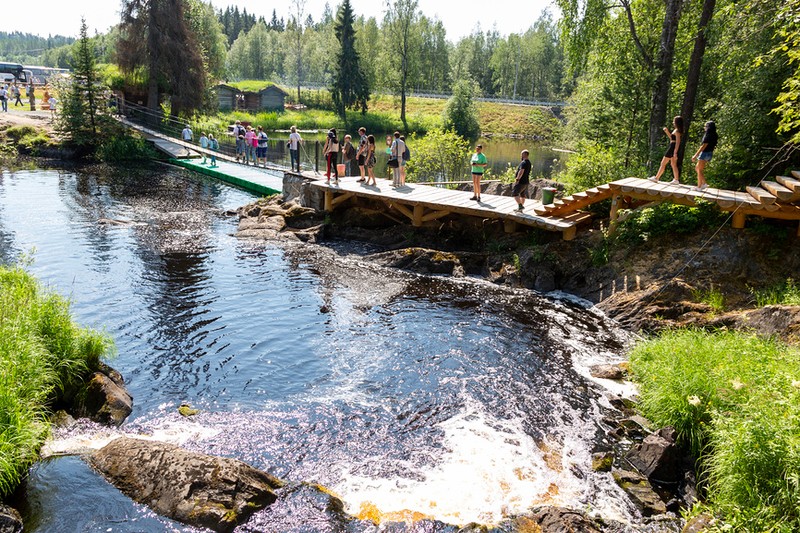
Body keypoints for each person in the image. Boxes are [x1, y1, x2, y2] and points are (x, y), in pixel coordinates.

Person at [649, 115, 684, 184]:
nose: (673, 122)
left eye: (674, 121)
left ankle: (657, 178)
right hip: (672, 146)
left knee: (663, 163)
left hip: (673, 148)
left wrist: (675, 152)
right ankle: (676, 179)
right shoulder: (676, 130)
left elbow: (678, 142)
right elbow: (671, 138)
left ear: (677, 122)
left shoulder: (677, 131)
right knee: (673, 164)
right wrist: (667, 132)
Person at [691, 120, 718, 191]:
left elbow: (704, 145)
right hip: (710, 153)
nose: (704, 127)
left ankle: (699, 187)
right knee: (697, 168)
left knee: (699, 170)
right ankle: (704, 183)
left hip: (705, 153)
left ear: (709, 127)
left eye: (706, 126)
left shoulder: (708, 135)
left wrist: (695, 155)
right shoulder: (715, 135)